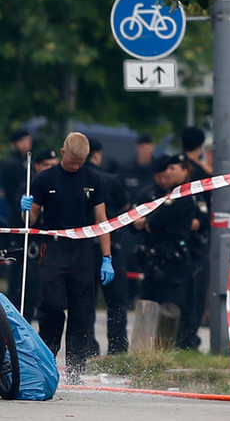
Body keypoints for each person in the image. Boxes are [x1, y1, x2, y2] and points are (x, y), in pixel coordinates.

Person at [20, 132, 114, 384]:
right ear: (63, 153)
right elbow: (32, 221)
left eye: (80, 162)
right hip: (54, 248)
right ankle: (47, 361)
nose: (75, 166)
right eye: (72, 161)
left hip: (83, 251)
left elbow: (101, 221)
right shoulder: (44, 179)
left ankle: (75, 369)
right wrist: (25, 209)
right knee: (51, 306)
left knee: (82, 312)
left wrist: (107, 257)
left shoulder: (94, 179)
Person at [133, 154, 196, 350]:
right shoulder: (152, 193)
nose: (167, 174)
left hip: (174, 259)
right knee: (147, 303)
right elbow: (136, 223)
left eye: (172, 169)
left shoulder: (184, 195)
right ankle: (143, 348)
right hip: (152, 258)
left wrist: (149, 222)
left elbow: (157, 221)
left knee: (172, 306)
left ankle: (168, 349)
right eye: (164, 171)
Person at [86, 138, 130, 355]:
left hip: (83, 247)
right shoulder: (110, 179)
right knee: (116, 301)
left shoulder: (76, 179)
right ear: (96, 154)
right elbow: (126, 207)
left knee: (86, 300)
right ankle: (117, 347)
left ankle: (88, 346)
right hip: (111, 246)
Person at [7, 149, 58, 322]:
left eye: (53, 165)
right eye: (46, 165)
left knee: (48, 298)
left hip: (53, 247)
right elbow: (23, 217)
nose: (50, 168)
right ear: (36, 166)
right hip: (31, 247)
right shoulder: (29, 185)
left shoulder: (59, 182)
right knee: (25, 292)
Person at [180, 127, 211, 350]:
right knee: (195, 292)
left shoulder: (172, 166)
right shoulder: (203, 175)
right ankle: (189, 337)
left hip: (171, 240)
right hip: (196, 242)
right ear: (200, 146)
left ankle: (177, 335)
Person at [119, 134, 156, 308]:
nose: (146, 150)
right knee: (128, 259)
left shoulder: (157, 168)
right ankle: (129, 297)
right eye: (143, 146)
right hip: (130, 224)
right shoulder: (127, 169)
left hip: (151, 224)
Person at [2, 129, 32, 312]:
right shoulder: (11, 165)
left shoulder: (25, 164)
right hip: (15, 219)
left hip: (25, 220)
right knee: (16, 267)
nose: (27, 145)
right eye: (24, 141)